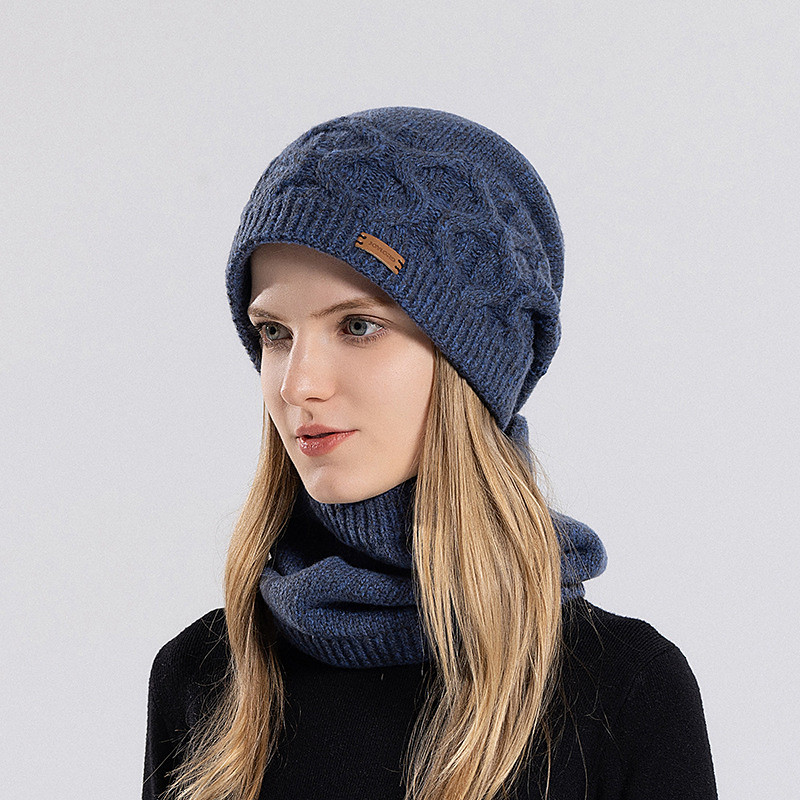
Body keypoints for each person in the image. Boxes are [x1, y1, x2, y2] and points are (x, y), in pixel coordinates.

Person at [142, 106, 717, 800]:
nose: (297, 385)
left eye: (358, 326)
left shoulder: (623, 693)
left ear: (471, 362)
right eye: (274, 333)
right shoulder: (206, 681)